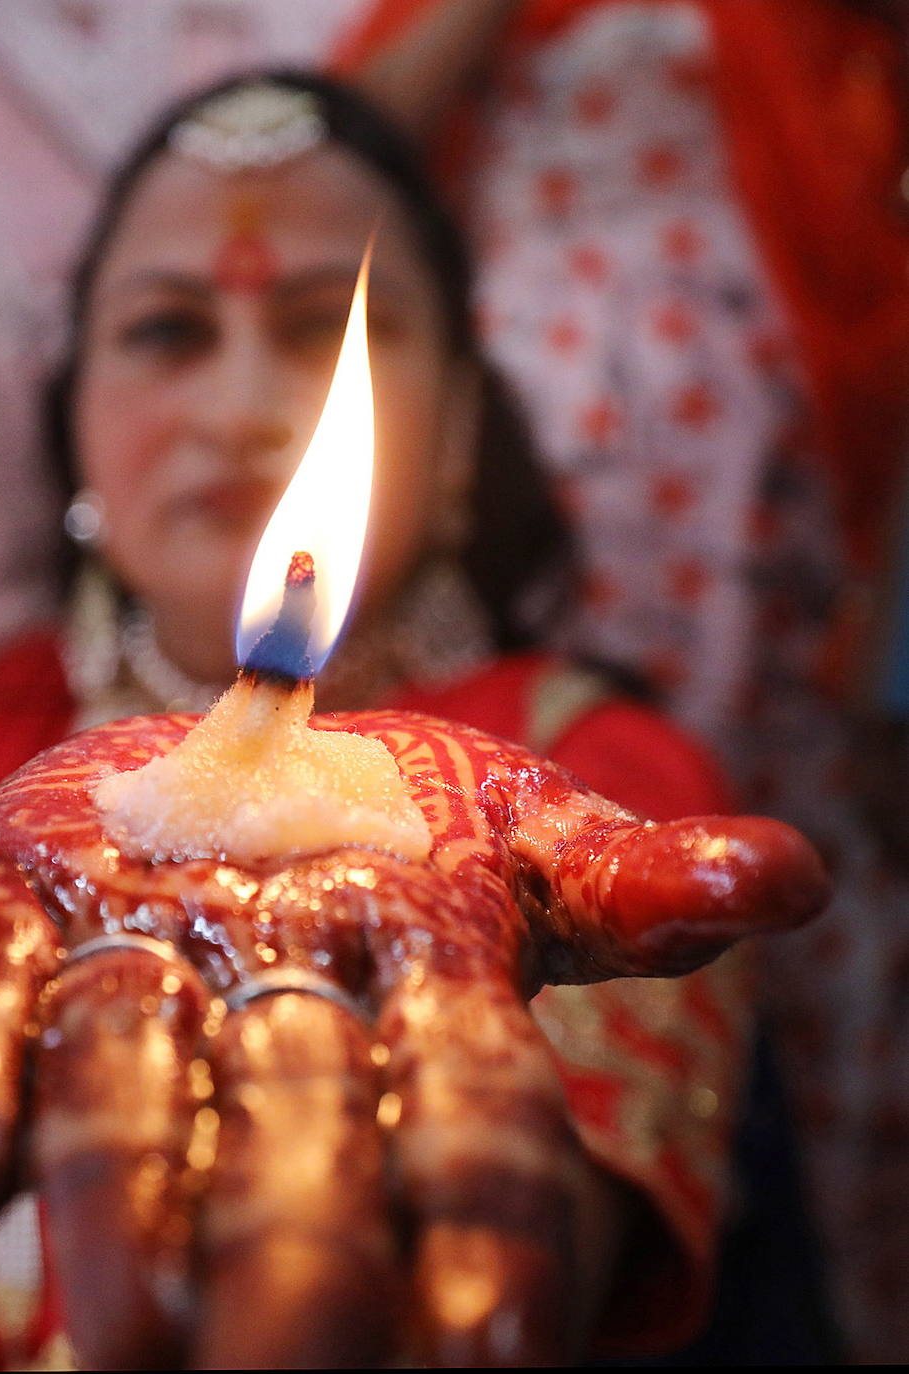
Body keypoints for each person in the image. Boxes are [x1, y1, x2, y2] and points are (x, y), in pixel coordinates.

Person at [0, 71, 804, 1371]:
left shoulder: (580, 784)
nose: (238, 407)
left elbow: (524, 1237)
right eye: (167, 332)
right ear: (77, 427)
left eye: (325, 324)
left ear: (450, 440)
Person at [334, 1, 909, 1359]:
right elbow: (346, 155)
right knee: (528, 883)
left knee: (768, 905)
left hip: (768, 537)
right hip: (536, 533)